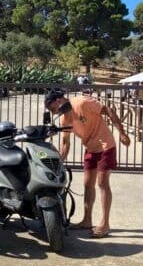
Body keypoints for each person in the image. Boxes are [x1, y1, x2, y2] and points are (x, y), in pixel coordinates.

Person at [44, 89, 130, 239]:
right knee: (87, 184)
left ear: (59, 100)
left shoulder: (82, 102)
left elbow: (108, 110)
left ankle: (105, 224)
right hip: (90, 148)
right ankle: (87, 220)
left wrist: (122, 132)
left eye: (53, 109)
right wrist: (58, 164)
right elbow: (65, 143)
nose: (54, 113)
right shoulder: (65, 119)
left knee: (102, 183)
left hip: (105, 145)